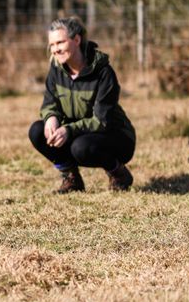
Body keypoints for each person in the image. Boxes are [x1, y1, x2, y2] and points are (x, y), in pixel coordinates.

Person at [29, 17, 136, 193]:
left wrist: (68, 130)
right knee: (37, 131)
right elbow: (50, 102)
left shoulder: (103, 73)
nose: (55, 49)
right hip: (79, 134)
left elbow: (101, 121)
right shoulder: (56, 69)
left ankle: (119, 173)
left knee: (80, 147)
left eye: (60, 42)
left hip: (115, 137)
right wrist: (51, 118)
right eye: (52, 45)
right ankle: (71, 179)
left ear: (77, 40)